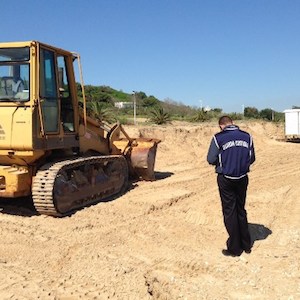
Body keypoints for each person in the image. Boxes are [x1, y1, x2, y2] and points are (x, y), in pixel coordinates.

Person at [207, 116, 255, 257]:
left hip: (226, 178)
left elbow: (210, 159)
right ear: (232, 123)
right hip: (242, 178)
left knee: (229, 211)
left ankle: (234, 248)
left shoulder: (218, 138)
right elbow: (252, 158)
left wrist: (222, 164)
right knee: (240, 209)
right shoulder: (247, 136)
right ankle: (246, 244)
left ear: (222, 126)